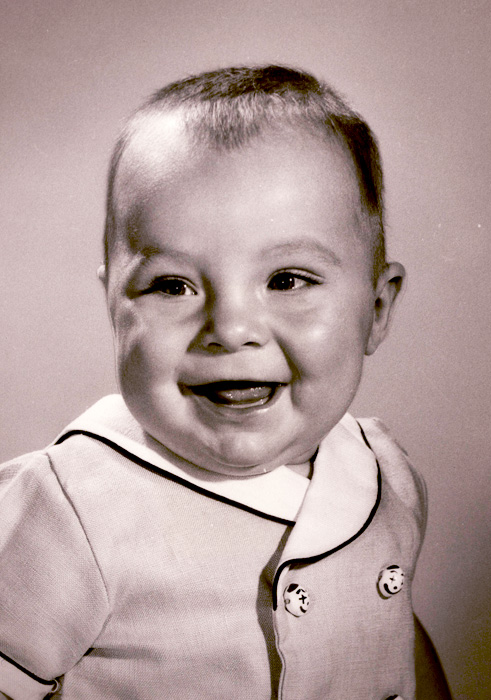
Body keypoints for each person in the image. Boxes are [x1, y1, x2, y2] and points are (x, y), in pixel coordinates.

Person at [0, 65, 451, 699]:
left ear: (377, 310)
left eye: (288, 279)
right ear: (112, 303)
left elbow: (388, 635)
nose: (231, 328)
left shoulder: (385, 473)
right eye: (172, 285)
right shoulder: (66, 509)